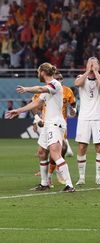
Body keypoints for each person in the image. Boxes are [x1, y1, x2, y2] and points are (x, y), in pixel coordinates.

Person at [6, 63, 75, 192]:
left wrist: (26, 89)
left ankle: (69, 185)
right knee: (42, 153)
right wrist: (19, 111)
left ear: (42, 72)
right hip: (48, 123)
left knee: (55, 153)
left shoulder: (55, 84)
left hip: (55, 123)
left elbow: (39, 89)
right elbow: (37, 103)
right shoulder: (48, 88)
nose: (38, 74)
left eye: (38, 71)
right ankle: (44, 184)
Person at [74, 57, 100, 186]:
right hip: (84, 117)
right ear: (86, 65)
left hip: (98, 117)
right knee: (82, 146)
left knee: (99, 147)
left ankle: (98, 177)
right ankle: (81, 177)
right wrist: (88, 71)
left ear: (99, 66)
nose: (92, 65)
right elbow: (77, 84)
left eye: (95, 64)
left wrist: (96, 72)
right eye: (90, 63)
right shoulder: (81, 77)